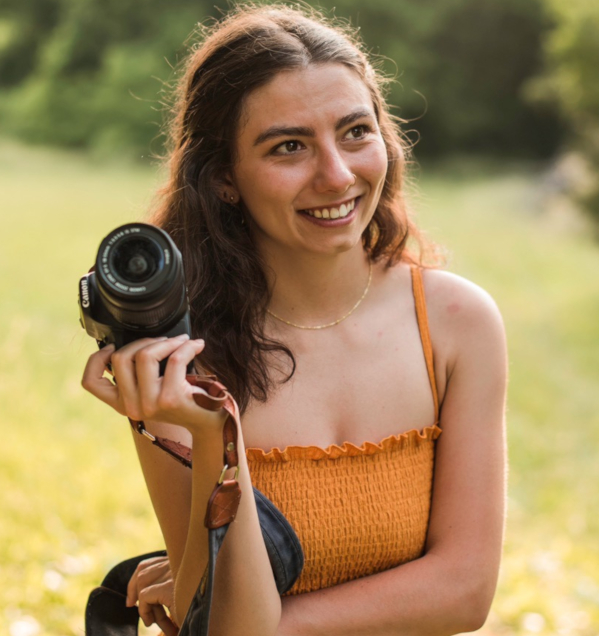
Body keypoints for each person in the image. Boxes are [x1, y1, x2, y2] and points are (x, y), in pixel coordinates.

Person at [81, 4, 507, 635]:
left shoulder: (454, 323)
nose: (336, 175)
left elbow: (465, 592)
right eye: (289, 146)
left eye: (355, 132)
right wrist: (211, 436)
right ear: (225, 176)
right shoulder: (181, 355)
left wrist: (272, 620)